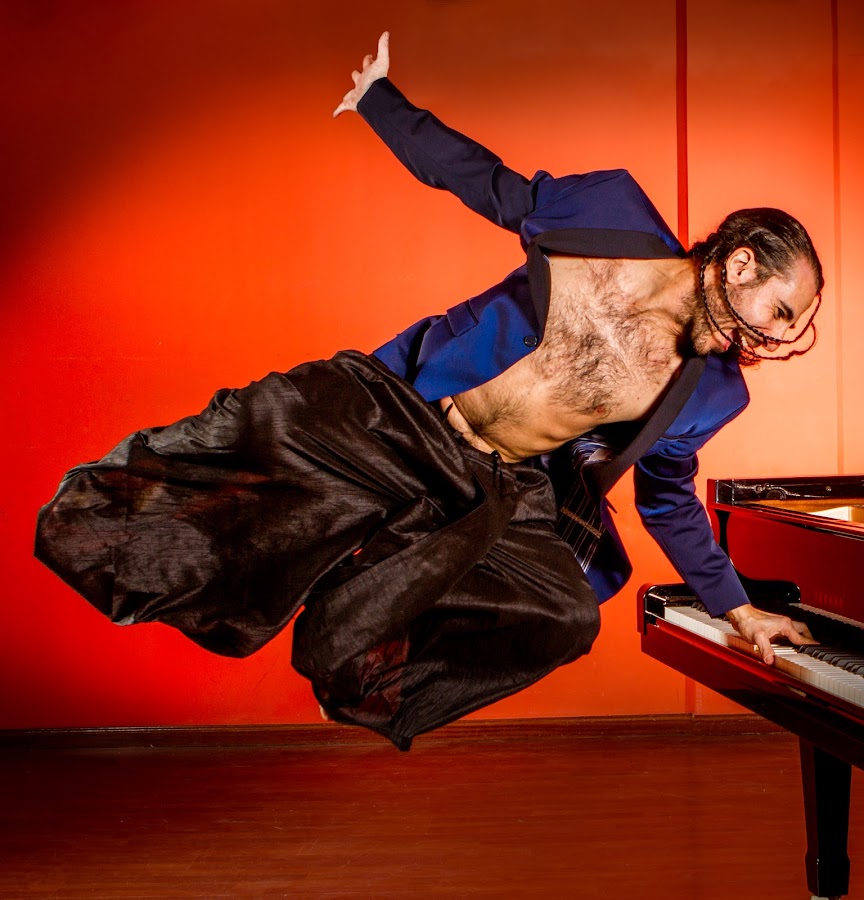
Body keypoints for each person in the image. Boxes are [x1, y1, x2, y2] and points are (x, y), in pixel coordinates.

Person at [36, 33, 820, 750]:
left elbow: (668, 500)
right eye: (780, 312)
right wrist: (381, 100)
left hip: (493, 486)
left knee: (565, 613)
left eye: (794, 326)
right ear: (741, 264)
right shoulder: (608, 209)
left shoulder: (713, 392)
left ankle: (354, 660)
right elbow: (488, 183)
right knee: (263, 419)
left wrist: (738, 607)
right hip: (405, 410)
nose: (778, 337)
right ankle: (107, 530)